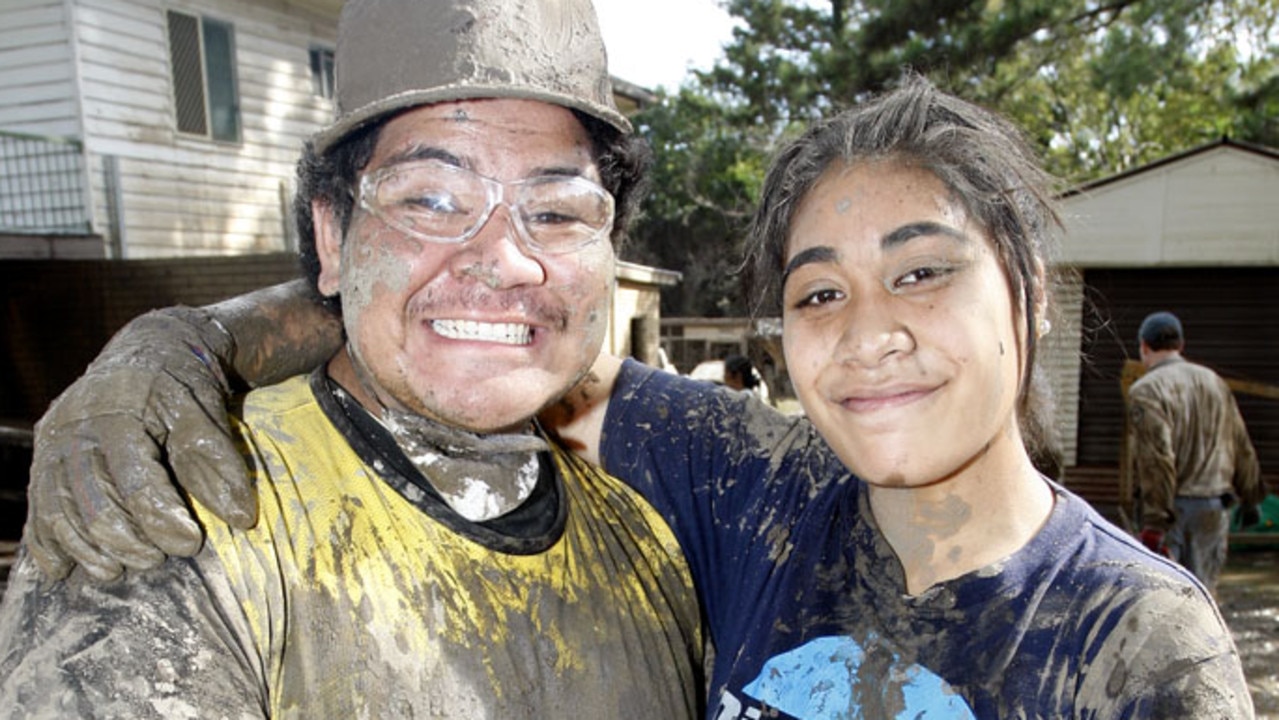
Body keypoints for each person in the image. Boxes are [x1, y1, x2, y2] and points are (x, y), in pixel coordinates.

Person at [16, 78, 1254, 717]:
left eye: (923, 273)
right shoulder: (758, 492)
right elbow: (496, 336)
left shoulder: (1138, 642)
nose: (871, 333)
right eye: (819, 293)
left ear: (1024, 293)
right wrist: (181, 343)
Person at [0, 0, 707, 716]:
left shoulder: (644, 544)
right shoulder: (172, 514)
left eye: (556, 211)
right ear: (333, 237)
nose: (502, 261)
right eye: (430, 200)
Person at [1128, 310, 1263, 593]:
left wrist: (1154, 523)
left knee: (1167, 599)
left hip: (1171, 511)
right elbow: (1241, 444)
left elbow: (1157, 459)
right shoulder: (1215, 382)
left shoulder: (1146, 390)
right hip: (1214, 507)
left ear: (1143, 346)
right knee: (1205, 598)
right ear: (1181, 345)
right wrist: (1251, 498)